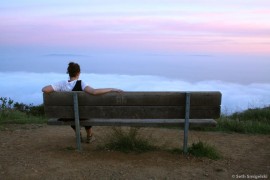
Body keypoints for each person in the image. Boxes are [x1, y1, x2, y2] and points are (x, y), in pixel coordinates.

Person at [42, 62, 123, 143]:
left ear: (68, 73)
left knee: (71, 113)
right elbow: (94, 92)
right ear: (78, 73)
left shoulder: (61, 84)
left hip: (66, 116)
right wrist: (111, 89)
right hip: (82, 115)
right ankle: (90, 136)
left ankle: (78, 134)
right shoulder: (81, 84)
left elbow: (45, 89)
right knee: (83, 113)